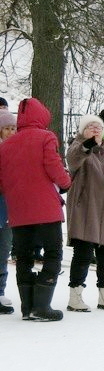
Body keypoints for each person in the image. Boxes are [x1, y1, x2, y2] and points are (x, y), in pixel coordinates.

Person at [0, 98, 71, 321]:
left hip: (18, 209)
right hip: (45, 208)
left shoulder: (7, 144)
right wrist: (66, 183)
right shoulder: (46, 137)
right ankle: (42, 305)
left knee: (23, 256)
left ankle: (27, 305)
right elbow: (53, 165)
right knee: (52, 253)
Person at [64, 115, 104, 312]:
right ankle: (75, 295)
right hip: (85, 208)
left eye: (98, 127)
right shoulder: (77, 148)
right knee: (83, 253)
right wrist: (89, 144)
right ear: (83, 131)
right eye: (90, 127)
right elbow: (74, 160)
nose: (95, 130)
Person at [0, 108, 18, 314]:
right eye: (6, 128)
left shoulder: (17, 148)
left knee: (4, 248)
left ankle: (1, 289)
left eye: (13, 128)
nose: (10, 132)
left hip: (10, 205)